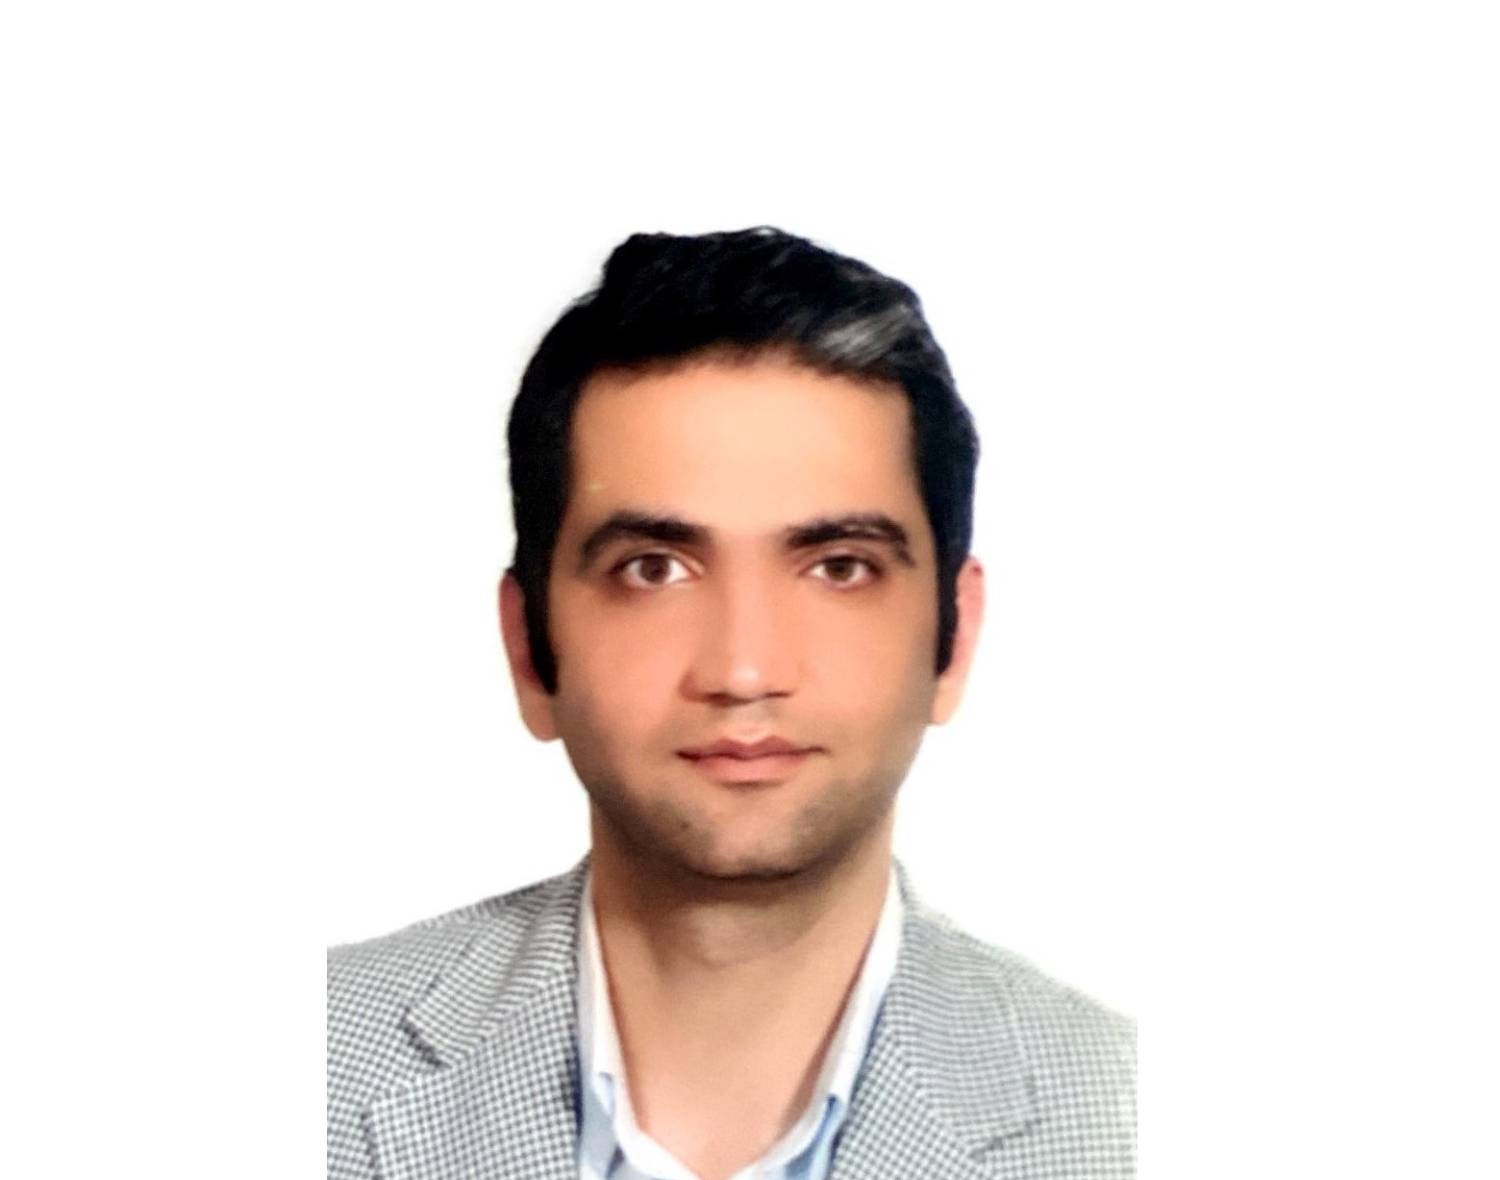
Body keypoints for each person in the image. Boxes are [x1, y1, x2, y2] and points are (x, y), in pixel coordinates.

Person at [326, 227, 1136, 1180]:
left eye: (839, 567)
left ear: (952, 641)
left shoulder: (1132, 1117)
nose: (745, 670)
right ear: (529, 650)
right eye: (653, 569)